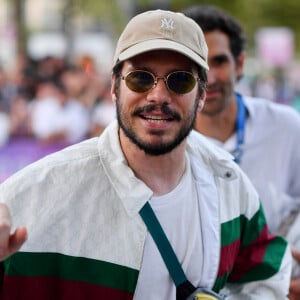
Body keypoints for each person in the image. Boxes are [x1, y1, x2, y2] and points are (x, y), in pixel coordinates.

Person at [0, 9, 291, 300]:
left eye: (180, 81)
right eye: (140, 78)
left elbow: (266, 277)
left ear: (201, 95)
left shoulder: (229, 183)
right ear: (114, 87)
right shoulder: (35, 196)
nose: (158, 96)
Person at [183, 5, 300, 300]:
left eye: (218, 61)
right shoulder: (163, 143)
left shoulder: (286, 127)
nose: (208, 76)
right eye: (195, 63)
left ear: (241, 64)